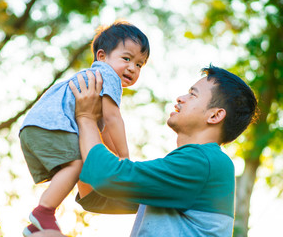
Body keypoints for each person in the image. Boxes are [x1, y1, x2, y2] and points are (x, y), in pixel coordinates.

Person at [68, 65, 258, 236]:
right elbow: (96, 196)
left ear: (215, 115)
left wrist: (85, 116)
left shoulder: (203, 162)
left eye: (193, 94)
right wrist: (81, 129)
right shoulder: (193, 167)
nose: (181, 98)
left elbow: (107, 177)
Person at [19, 20, 150, 236]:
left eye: (139, 64)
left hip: (36, 127)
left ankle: (37, 225)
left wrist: (114, 157)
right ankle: (44, 211)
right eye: (126, 58)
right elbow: (113, 118)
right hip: (51, 126)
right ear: (102, 57)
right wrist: (126, 159)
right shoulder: (107, 76)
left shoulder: (96, 79)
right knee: (77, 166)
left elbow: (105, 130)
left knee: (72, 167)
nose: (132, 68)